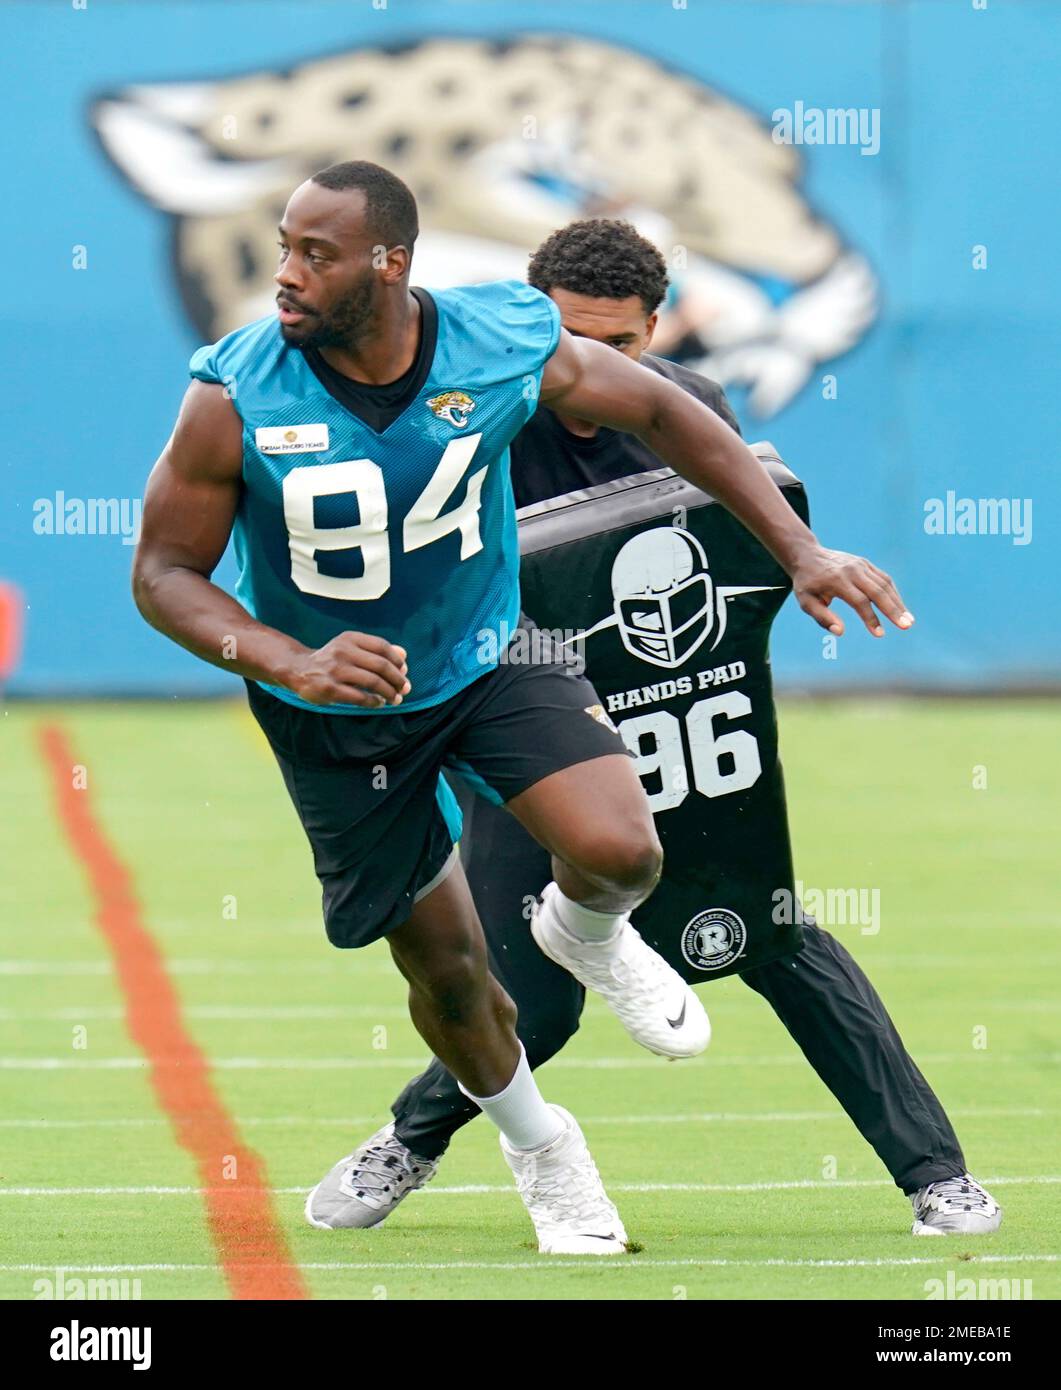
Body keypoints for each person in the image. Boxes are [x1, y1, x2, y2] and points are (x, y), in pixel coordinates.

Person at [132, 164, 914, 1255]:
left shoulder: (494, 340)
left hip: (488, 659)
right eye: (284, 246)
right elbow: (164, 574)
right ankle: (541, 1147)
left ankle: (582, 929)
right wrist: (288, 658)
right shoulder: (234, 390)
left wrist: (799, 550)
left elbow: (658, 408)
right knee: (451, 975)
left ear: (388, 264)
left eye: (316, 252)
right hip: (341, 716)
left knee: (621, 849)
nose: (287, 275)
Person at [333, 219, 1001, 1240]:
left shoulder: (687, 408)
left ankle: (934, 1175)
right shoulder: (471, 422)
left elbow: (744, 532)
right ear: (528, 324)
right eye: (567, 339)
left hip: (671, 711)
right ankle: (410, 1141)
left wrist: (810, 558)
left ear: (657, 329)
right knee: (537, 1001)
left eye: (620, 344)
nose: (591, 367)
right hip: (526, 729)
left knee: (772, 930)